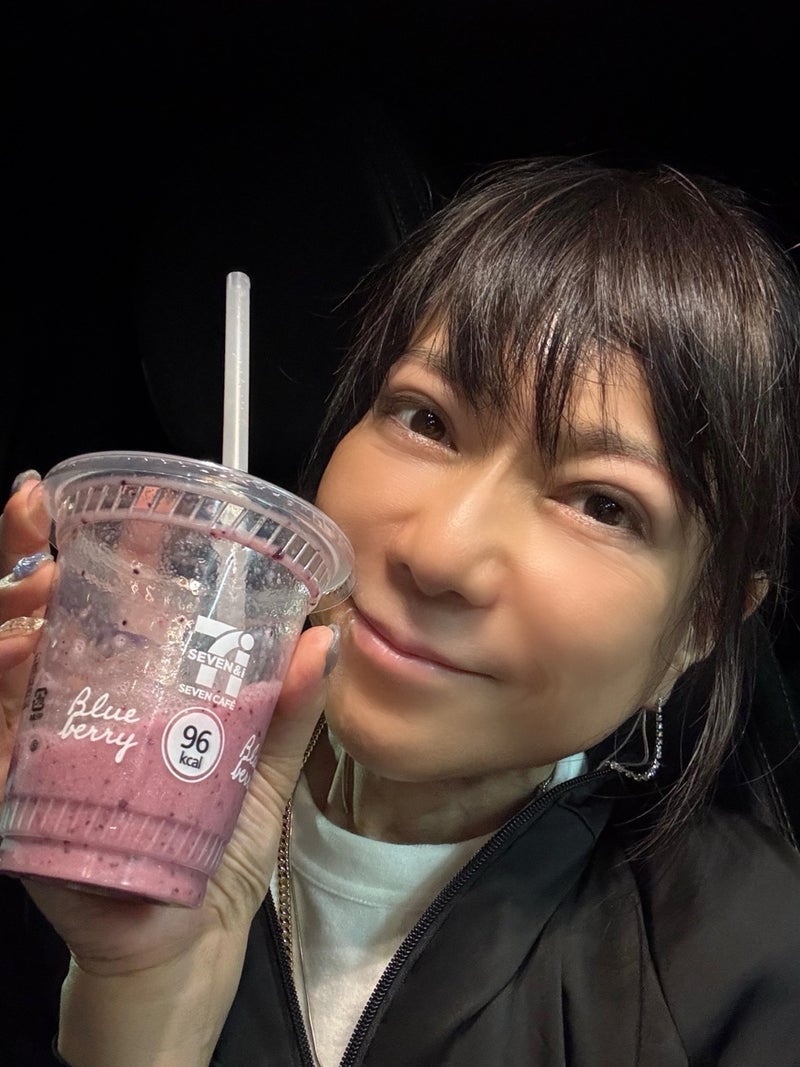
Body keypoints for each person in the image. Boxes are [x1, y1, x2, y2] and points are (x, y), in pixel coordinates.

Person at [1, 156, 799, 1066]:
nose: (441, 552)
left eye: (601, 504)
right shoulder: (80, 802)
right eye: (426, 419)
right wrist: (135, 1005)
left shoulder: (749, 971)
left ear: (700, 623)